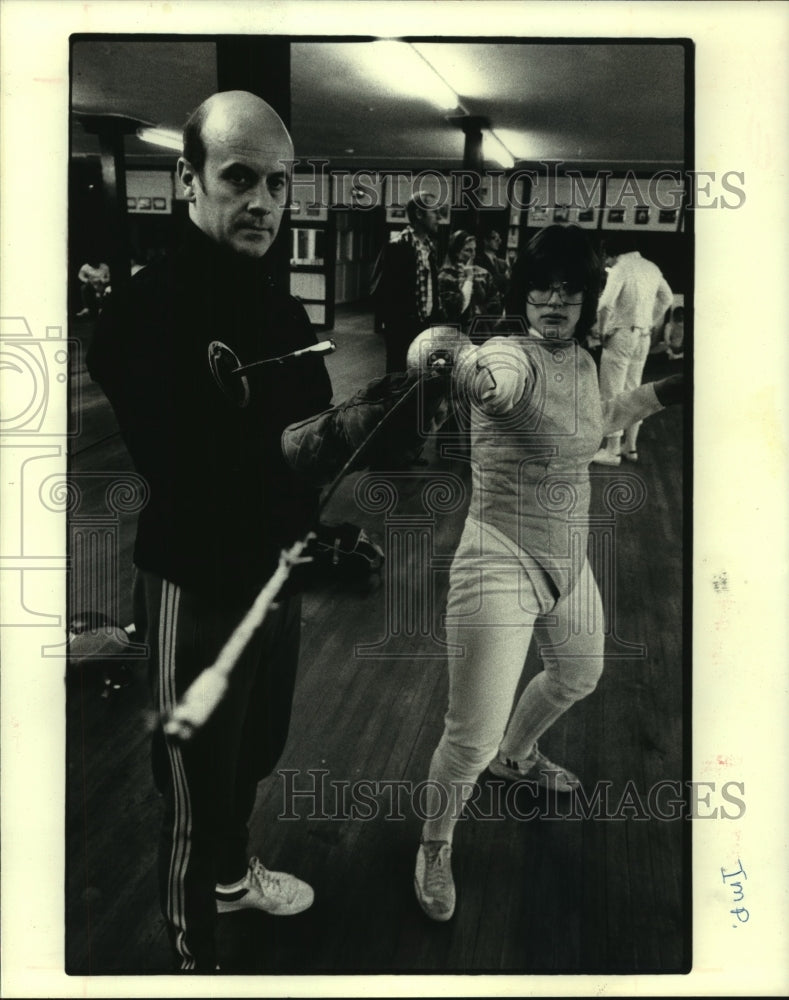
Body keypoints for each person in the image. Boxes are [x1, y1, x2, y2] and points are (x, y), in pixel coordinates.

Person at [87, 90, 446, 972]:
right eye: (240, 177)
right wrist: (351, 424)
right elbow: (197, 472)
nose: (263, 203)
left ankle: (231, 879)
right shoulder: (143, 315)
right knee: (191, 786)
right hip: (194, 583)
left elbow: (308, 456)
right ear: (189, 179)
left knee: (254, 754)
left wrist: (400, 405)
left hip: (272, 580)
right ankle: (194, 960)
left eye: (279, 185)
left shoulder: (281, 312)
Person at [412, 225, 683, 922]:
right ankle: (434, 843)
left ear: (587, 295)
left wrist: (670, 390)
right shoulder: (510, 354)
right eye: (543, 287)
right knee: (467, 734)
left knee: (579, 673)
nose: (555, 300)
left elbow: (600, 421)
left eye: (569, 287)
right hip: (497, 559)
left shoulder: (586, 364)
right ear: (523, 293)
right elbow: (496, 383)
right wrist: (459, 364)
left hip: (567, 555)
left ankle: (519, 755)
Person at [592, 240, 674, 465]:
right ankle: (631, 447)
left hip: (621, 335)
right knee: (634, 389)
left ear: (612, 254)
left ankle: (612, 451)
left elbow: (605, 304)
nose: (606, 264)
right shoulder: (652, 267)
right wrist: (649, 322)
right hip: (643, 337)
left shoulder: (620, 268)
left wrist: (602, 331)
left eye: (605, 259)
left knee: (612, 392)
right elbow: (666, 298)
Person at [373, 193, 442, 373]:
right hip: (402, 329)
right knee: (399, 376)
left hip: (425, 325)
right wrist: (394, 324)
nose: (439, 218)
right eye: (434, 212)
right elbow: (380, 289)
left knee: (420, 375)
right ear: (419, 214)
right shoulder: (397, 246)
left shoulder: (430, 247)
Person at [437, 229, 492, 334]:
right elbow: (455, 310)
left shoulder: (483, 274)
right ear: (456, 252)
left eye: (474, 250)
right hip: (456, 333)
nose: (473, 255)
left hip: (480, 332)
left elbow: (492, 303)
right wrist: (469, 278)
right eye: (468, 250)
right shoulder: (445, 276)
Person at [473, 224, 510, 323]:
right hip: (486, 309)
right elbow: (489, 281)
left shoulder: (501, 263)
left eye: (499, 239)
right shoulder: (478, 260)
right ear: (486, 241)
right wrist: (504, 277)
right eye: (495, 239)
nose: (499, 242)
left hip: (500, 307)